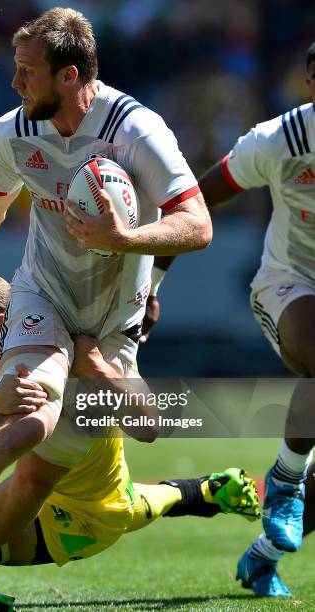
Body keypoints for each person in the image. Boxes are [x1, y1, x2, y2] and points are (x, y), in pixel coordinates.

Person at [0, 8, 212, 609]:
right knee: (30, 418)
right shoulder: (13, 131)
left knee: (80, 457)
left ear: (68, 75)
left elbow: (198, 225)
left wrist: (125, 241)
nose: (14, 84)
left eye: (27, 72)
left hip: (115, 317)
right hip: (43, 292)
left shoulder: (139, 131)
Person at [0, 268, 258, 611]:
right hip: (59, 493)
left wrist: (92, 366)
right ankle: (210, 490)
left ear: (1, 326)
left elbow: (149, 426)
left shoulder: (83, 350)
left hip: (81, 518)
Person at [155, 41, 315, 598]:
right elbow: (194, 201)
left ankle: (264, 554)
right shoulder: (281, 140)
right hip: (291, 286)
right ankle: (286, 481)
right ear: (310, 86)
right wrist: (153, 283)